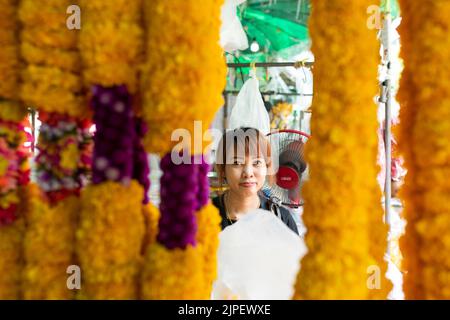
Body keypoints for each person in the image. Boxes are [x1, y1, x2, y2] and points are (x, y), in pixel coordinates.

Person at [212, 127, 298, 235]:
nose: (248, 173)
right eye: (237, 163)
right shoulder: (203, 216)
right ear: (223, 169)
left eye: (256, 162)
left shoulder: (282, 219)